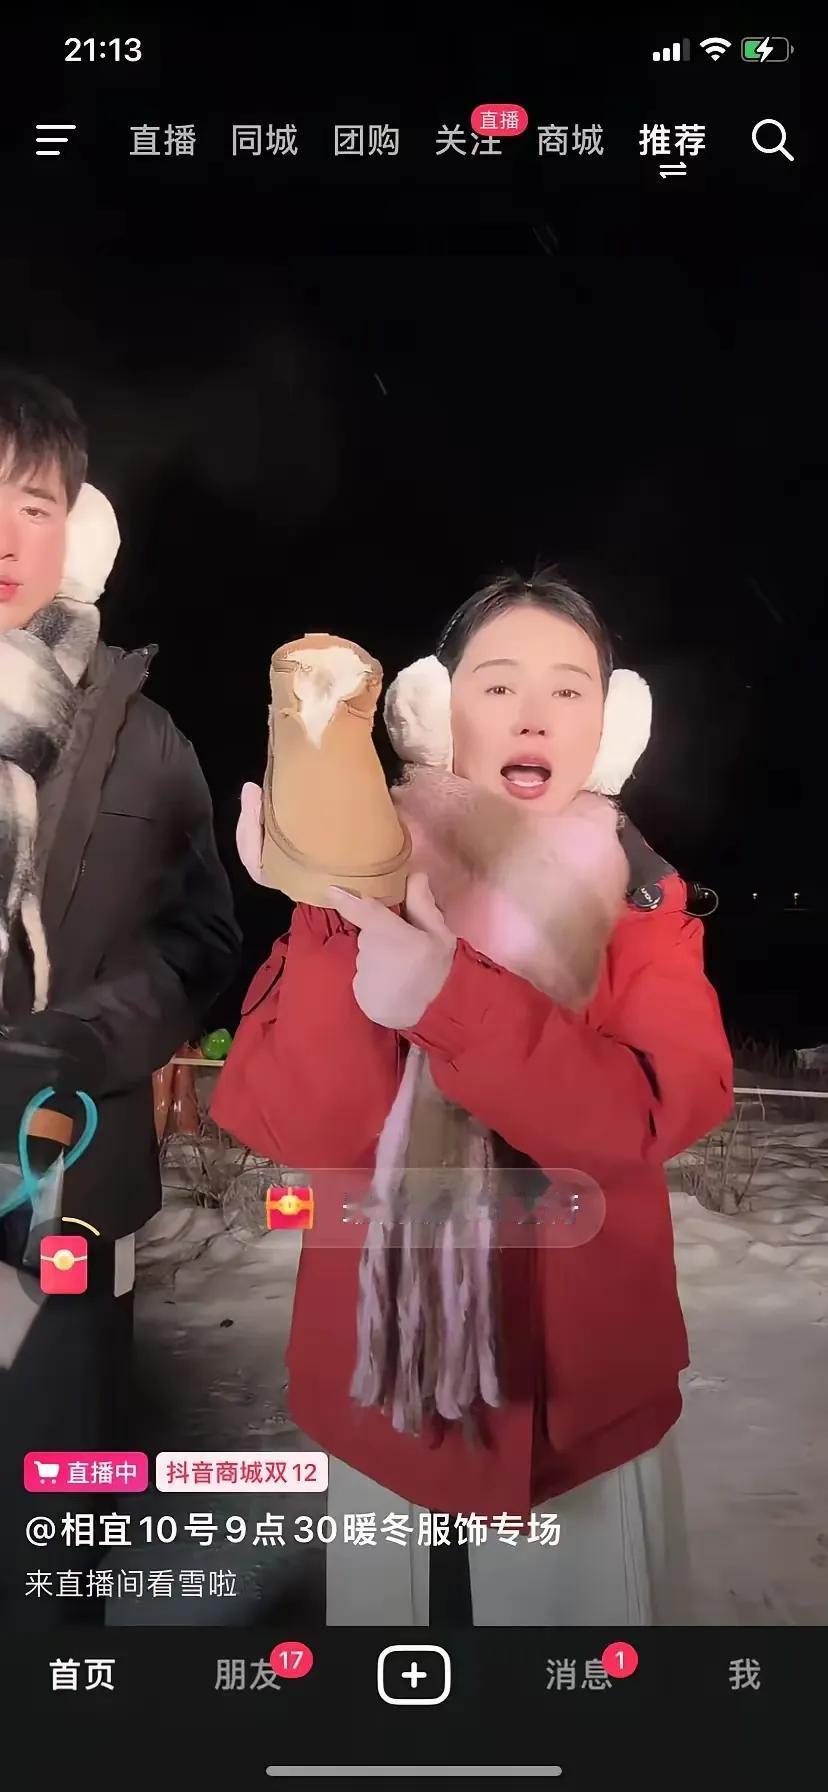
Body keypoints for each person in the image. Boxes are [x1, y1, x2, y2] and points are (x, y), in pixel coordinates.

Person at [212, 570, 733, 1626]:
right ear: (434, 713)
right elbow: (305, 1126)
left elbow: (647, 1113)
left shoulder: (645, 910)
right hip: (382, 1393)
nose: (536, 714)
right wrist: (331, 906)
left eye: (570, 689)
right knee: (398, 1685)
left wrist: (452, 1002)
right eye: (497, 685)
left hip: (578, 1407)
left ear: (611, 725)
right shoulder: (372, 876)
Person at [0, 369, 241, 1620]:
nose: (4, 537)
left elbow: (202, 939)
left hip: (72, 1185)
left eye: (33, 503)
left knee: (52, 1534)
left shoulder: (146, 738)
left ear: (76, 525)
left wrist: (74, 1040)